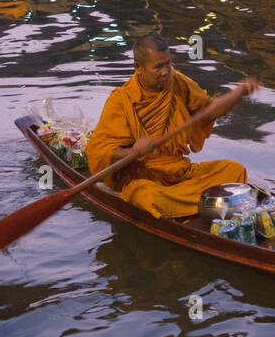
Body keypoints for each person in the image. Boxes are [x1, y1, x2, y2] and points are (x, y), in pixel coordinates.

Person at [86, 35, 258, 218]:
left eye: (168, 64)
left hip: (180, 172)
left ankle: (186, 205)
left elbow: (210, 110)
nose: (166, 72)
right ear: (138, 67)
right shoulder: (121, 100)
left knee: (234, 170)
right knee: (147, 197)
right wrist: (133, 152)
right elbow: (98, 151)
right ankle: (198, 203)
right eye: (158, 67)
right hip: (145, 179)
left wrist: (238, 94)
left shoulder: (178, 83)